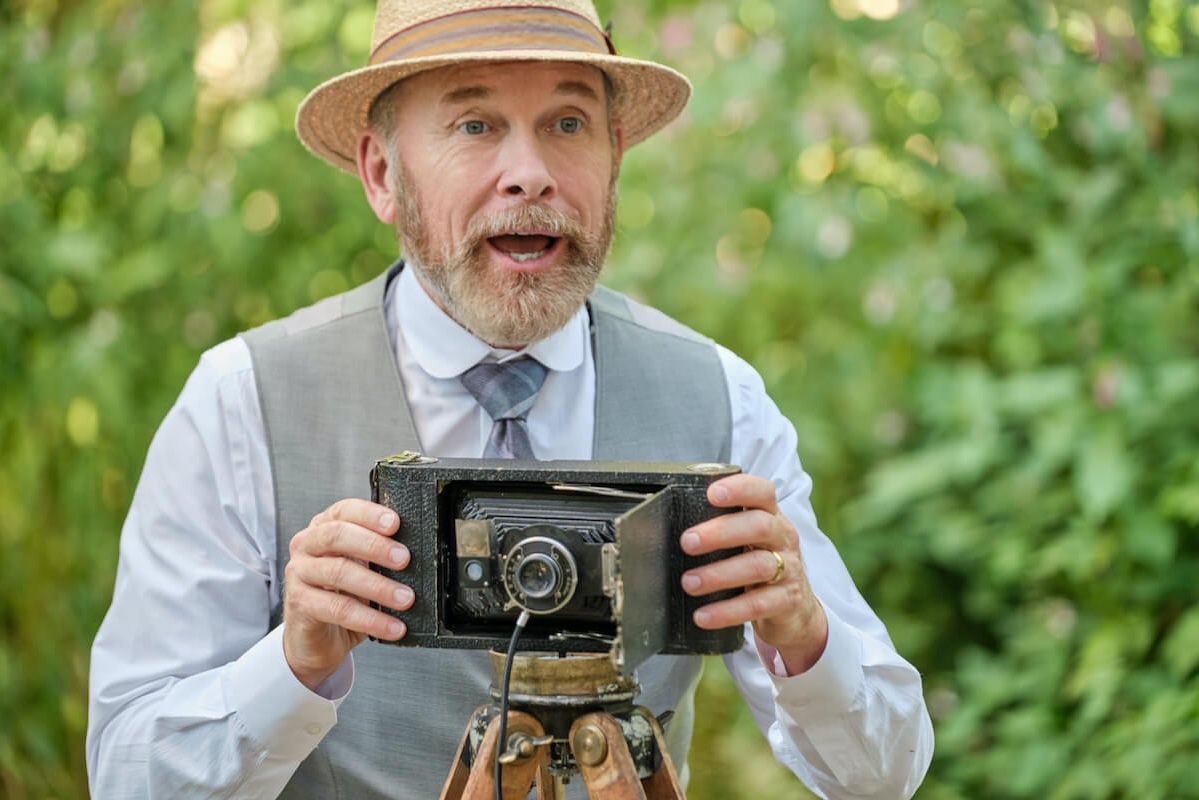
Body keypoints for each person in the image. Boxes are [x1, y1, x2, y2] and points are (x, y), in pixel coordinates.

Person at [87, 1, 934, 797]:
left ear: (614, 161)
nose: (528, 174)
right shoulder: (245, 402)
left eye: (567, 124)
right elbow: (123, 773)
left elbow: (887, 774)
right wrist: (294, 665)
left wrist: (807, 640)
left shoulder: (721, 398)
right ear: (383, 175)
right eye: (474, 125)